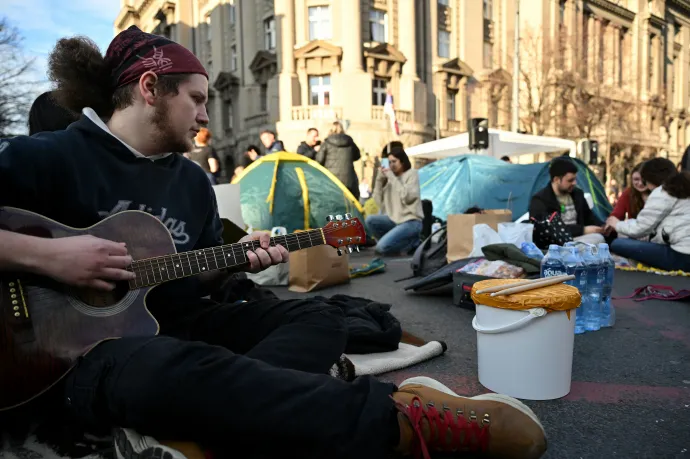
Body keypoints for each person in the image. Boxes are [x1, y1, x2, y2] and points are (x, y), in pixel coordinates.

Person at [0, 27, 547, 459]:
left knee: (321, 320)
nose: (206, 114)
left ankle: (228, 415)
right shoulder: (49, 157)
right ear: (149, 88)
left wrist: (232, 264)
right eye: (195, 99)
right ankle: (401, 422)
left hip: (181, 329)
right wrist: (49, 254)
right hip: (72, 355)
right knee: (169, 369)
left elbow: (192, 284)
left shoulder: (190, 181)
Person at [606, 158, 690, 272]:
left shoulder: (662, 192)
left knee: (617, 244)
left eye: (644, 180)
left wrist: (617, 225)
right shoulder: (682, 189)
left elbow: (641, 227)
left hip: (681, 255)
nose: (642, 184)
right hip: (683, 249)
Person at [529, 156, 605, 244]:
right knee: (597, 240)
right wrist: (582, 230)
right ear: (556, 180)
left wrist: (602, 226)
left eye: (575, 179)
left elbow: (589, 216)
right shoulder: (540, 200)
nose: (574, 183)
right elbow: (545, 230)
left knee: (600, 238)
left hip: (579, 238)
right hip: (556, 242)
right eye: (570, 180)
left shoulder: (577, 194)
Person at [366, 147, 423, 255]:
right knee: (370, 220)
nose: (391, 165)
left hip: (411, 222)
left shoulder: (412, 174)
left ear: (402, 161)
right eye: (389, 162)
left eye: (394, 161)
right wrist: (379, 180)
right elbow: (378, 202)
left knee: (381, 249)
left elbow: (408, 197)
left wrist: (392, 178)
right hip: (394, 221)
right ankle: (395, 243)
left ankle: (412, 243)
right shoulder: (389, 179)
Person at [316, 121, 361, 199]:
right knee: (348, 205)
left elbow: (319, 160)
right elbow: (357, 156)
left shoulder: (326, 143)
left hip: (331, 180)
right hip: (349, 180)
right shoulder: (349, 142)